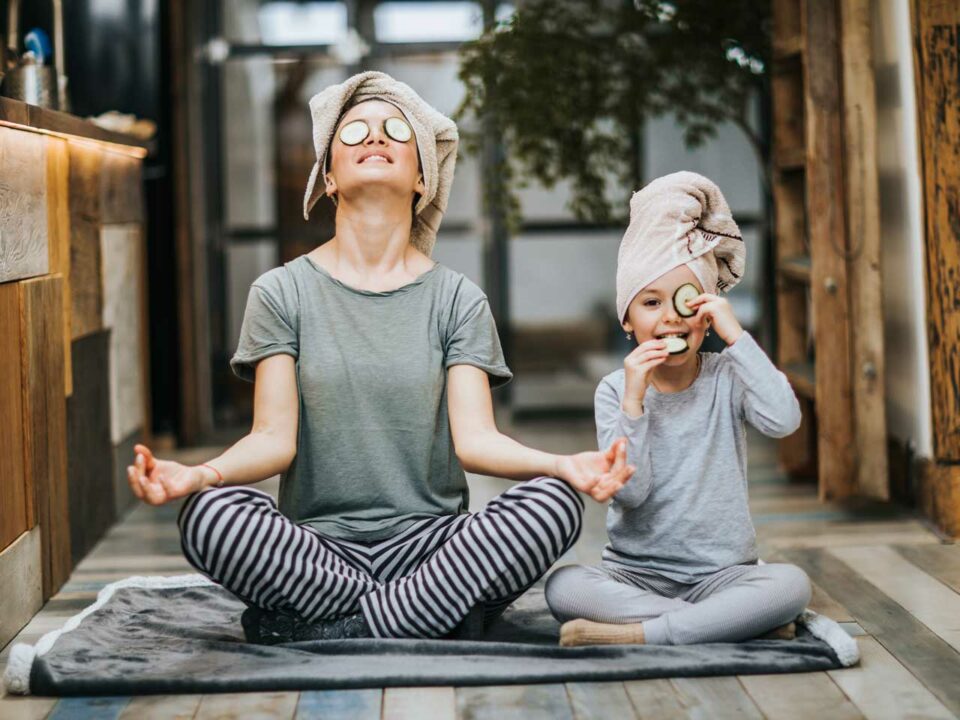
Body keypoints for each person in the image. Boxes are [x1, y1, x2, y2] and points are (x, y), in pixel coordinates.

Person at [126, 71, 633, 644]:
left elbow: (476, 442)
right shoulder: (281, 292)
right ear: (328, 177)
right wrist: (200, 474)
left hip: (433, 548)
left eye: (396, 131)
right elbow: (272, 439)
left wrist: (561, 466)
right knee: (208, 515)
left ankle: (341, 625)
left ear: (422, 177)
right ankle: (426, 615)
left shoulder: (457, 299)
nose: (374, 137)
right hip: (316, 552)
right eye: (354, 131)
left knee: (554, 503)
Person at [544, 171, 812, 647]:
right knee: (565, 585)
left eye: (685, 302)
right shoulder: (614, 390)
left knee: (791, 584)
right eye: (651, 302)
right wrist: (633, 402)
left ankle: (645, 633)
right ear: (628, 321)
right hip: (635, 575)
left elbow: (785, 420)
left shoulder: (727, 375)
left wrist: (737, 337)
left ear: (706, 314)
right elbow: (630, 493)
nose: (669, 316)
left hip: (723, 574)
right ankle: (727, 622)